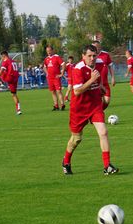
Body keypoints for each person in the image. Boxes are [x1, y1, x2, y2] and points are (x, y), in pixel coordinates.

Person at [62, 44, 119, 176]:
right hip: (79, 108)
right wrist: (92, 80)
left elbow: (100, 80)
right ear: (83, 56)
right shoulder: (78, 69)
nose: (92, 58)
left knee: (103, 132)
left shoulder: (100, 64)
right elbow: (77, 91)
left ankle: (107, 166)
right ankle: (66, 161)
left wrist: (100, 87)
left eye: (94, 55)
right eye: (89, 56)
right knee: (76, 139)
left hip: (94, 106)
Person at [0, 51, 22, 115]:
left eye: (1, 57)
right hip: (15, 78)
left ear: (3, 56)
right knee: (14, 94)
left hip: (9, 78)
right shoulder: (13, 61)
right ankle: (18, 110)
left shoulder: (5, 61)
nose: (1, 58)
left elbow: (1, 71)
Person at [92, 40, 115, 109]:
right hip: (95, 83)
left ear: (99, 47)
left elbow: (110, 66)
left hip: (105, 82)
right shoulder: (91, 56)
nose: (95, 48)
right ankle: (97, 114)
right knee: (96, 102)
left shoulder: (105, 54)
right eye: (93, 47)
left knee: (107, 101)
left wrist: (113, 78)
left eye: (96, 46)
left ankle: (99, 113)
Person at [44, 45, 65, 111]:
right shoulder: (46, 59)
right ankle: (56, 105)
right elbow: (44, 67)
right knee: (53, 92)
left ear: (52, 50)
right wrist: (47, 73)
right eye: (47, 51)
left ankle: (62, 104)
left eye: (50, 50)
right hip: (50, 78)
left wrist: (62, 73)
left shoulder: (57, 57)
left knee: (58, 91)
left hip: (56, 77)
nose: (49, 52)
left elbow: (63, 64)